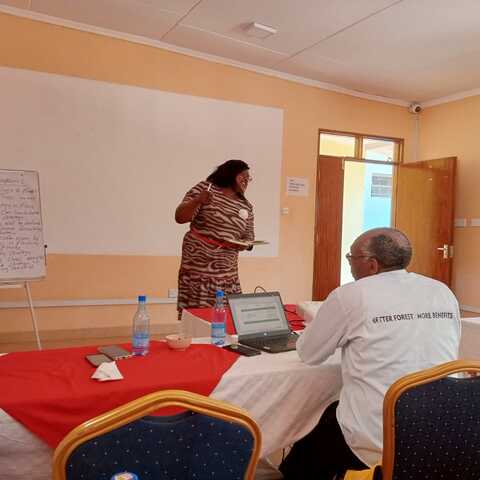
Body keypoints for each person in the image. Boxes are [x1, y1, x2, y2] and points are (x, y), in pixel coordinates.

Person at [280, 228, 461, 479]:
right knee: (331, 416)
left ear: (372, 264)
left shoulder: (351, 295)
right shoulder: (441, 290)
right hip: (444, 429)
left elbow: (309, 353)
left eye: (351, 257)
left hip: (378, 436)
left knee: (315, 433)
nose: (350, 264)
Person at [175, 160, 254, 318]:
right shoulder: (206, 189)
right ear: (229, 174)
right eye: (243, 176)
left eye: (249, 178)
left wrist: (245, 244)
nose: (246, 180)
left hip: (227, 272)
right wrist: (197, 200)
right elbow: (180, 217)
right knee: (198, 316)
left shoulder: (246, 206)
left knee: (226, 316)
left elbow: (249, 237)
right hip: (199, 267)